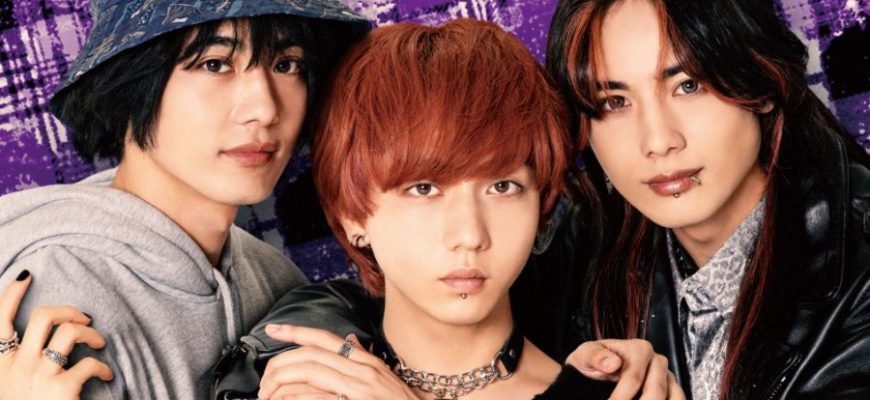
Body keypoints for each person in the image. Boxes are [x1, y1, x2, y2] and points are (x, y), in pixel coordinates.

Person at [232, 18, 683, 400]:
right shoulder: (297, 378)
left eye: (502, 187)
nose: (469, 234)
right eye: (424, 189)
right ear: (352, 214)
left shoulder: (617, 392)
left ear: (541, 206)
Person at [0, 0, 369, 398]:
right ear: (131, 83)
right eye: (215, 64)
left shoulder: (276, 279)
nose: (265, 109)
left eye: (287, 64)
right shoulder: (60, 293)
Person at [546, 0, 870, 398]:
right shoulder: (582, 255)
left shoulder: (860, 274)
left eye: (688, 85)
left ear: (761, 83)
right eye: (615, 102)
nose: (658, 141)